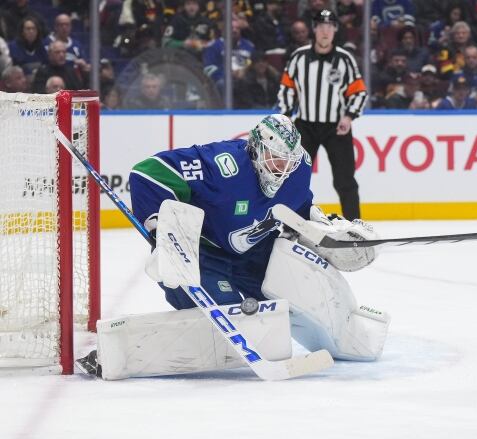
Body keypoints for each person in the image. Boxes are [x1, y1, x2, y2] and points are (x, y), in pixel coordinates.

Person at [76, 114, 389, 380]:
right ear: (255, 150)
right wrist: (161, 231)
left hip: (255, 249)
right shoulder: (221, 167)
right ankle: (119, 350)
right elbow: (146, 173)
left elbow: (298, 207)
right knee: (230, 325)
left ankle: (347, 333)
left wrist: (325, 229)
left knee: (303, 280)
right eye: (275, 158)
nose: (282, 169)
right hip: (203, 253)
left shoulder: (298, 168)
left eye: (289, 162)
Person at [277, 9, 367, 220]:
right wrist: (288, 117)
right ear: (314, 29)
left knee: (345, 180)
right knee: (293, 177)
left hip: (337, 127)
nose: (325, 31)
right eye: (321, 26)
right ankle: (290, 223)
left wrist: (348, 117)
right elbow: (287, 88)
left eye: (330, 26)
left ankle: (356, 226)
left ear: (335, 30)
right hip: (305, 126)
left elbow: (359, 92)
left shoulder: (345, 60)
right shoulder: (299, 57)